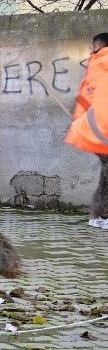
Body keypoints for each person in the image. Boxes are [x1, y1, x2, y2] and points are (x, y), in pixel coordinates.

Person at [68, 31, 108, 227]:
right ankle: (102, 216)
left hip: (94, 126)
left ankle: (98, 215)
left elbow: (90, 96)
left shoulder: (98, 62)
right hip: (101, 127)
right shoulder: (102, 62)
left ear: (97, 47)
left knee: (106, 172)